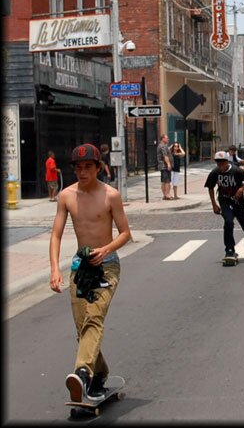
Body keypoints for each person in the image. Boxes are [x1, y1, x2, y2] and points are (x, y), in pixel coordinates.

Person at [49, 143, 132, 402]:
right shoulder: (66, 196)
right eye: (78, 167)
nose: (82, 172)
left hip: (107, 265)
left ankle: (82, 373)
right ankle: (100, 373)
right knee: (81, 328)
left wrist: (106, 250)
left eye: (88, 167)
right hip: (81, 265)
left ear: (98, 167)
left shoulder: (111, 195)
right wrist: (54, 269)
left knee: (93, 319)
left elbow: (126, 233)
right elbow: (56, 234)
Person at [204, 150, 244, 261]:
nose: (220, 165)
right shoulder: (215, 173)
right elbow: (210, 187)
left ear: (227, 161)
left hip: (238, 201)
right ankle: (229, 249)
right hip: (224, 201)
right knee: (228, 222)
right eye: (218, 163)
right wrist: (214, 204)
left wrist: (241, 189)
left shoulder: (236, 171)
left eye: (222, 162)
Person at [156, 134, 173, 200]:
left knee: (164, 181)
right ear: (163, 139)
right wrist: (168, 164)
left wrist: (169, 148)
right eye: (167, 138)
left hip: (163, 166)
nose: (168, 139)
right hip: (164, 166)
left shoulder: (162, 146)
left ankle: (165, 194)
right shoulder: (163, 146)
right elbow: (165, 156)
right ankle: (167, 195)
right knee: (167, 181)